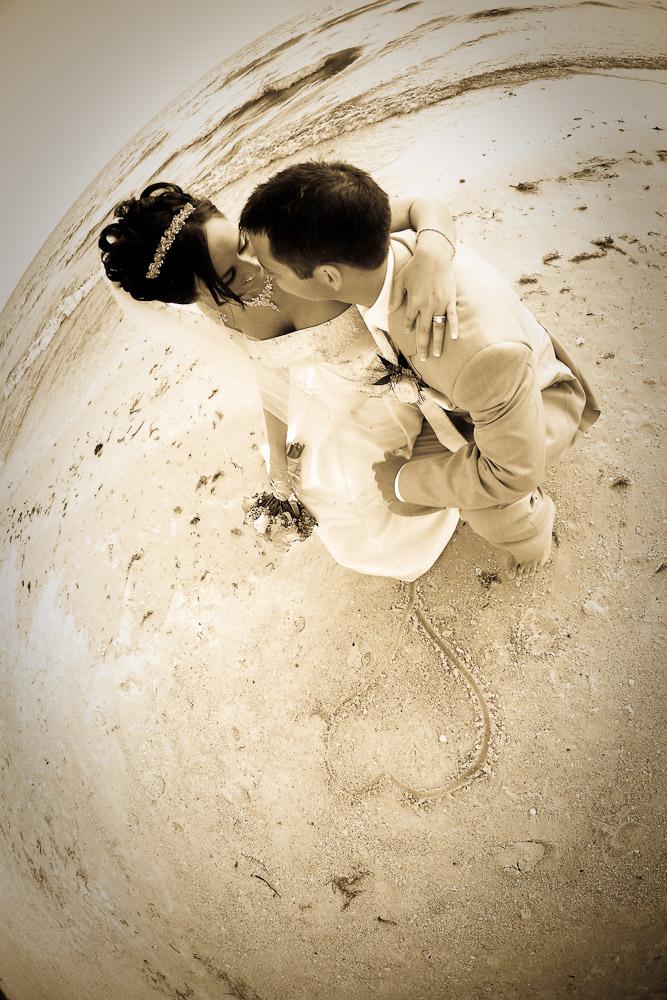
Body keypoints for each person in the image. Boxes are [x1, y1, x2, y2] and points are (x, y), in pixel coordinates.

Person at [238, 160, 600, 579]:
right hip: (459, 398)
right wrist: (433, 248)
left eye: (273, 273)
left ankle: (531, 533)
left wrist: (402, 482)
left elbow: (511, 474)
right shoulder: (375, 242)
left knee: (474, 507)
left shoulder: (474, 353)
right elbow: (421, 209)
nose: (267, 280)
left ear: (329, 277)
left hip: (538, 401)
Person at [99, 180, 462, 580]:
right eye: (230, 277)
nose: (256, 267)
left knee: (355, 476)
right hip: (349, 390)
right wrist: (277, 462)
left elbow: (424, 205)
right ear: (194, 296)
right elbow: (268, 368)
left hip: (432, 370)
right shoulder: (214, 310)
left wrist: (433, 257)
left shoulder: (287, 240)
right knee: (323, 481)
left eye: (241, 244)